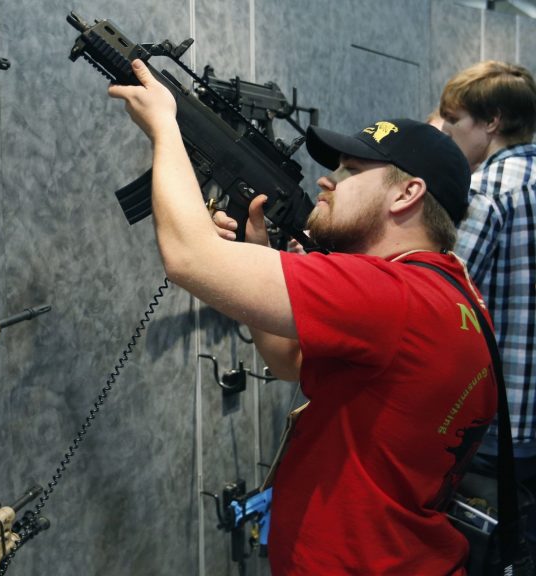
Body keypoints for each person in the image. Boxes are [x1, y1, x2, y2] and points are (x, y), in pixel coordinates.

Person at [108, 59, 497, 574]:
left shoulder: (390, 294)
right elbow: (291, 361)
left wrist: (164, 124)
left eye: (352, 171)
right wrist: (258, 255)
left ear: (408, 194)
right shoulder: (450, 289)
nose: (327, 180)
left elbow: (188, 256)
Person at [439, 60, 536, 539]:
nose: (447, 131)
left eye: (454, 120)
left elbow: (441, 290)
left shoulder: (488, 189)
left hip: (502, 423)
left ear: (492, 121)